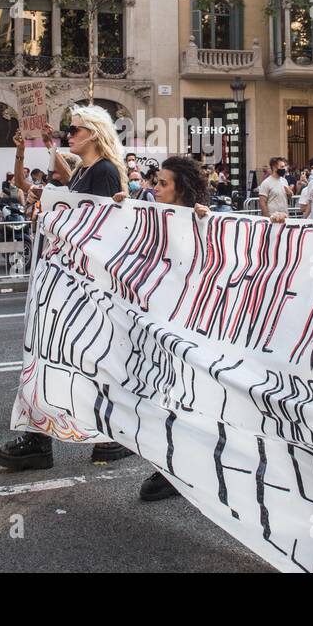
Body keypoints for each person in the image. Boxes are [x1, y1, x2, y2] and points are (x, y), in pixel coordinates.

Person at [0, 104, 130, 472]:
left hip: (81, 281)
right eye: (69, 130)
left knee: (58, 355)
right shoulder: (86, 170)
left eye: (75, 130)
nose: (69, 135)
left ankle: (51, 440)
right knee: (70, 358)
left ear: (95, 134)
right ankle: (99, 437)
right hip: (72, 279)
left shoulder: (102, 171)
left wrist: (54, 215)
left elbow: (98, 228)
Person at [117, 154, 209, 503]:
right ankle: (173, 462)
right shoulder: (150, 216)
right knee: (162, 391)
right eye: (154, 182)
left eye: (162, 184)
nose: (154, 189)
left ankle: (179, 466)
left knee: (184, 392)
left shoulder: (205, 221)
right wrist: (116, 214)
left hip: (191, 325)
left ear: (181, 189)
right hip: (159, 322)